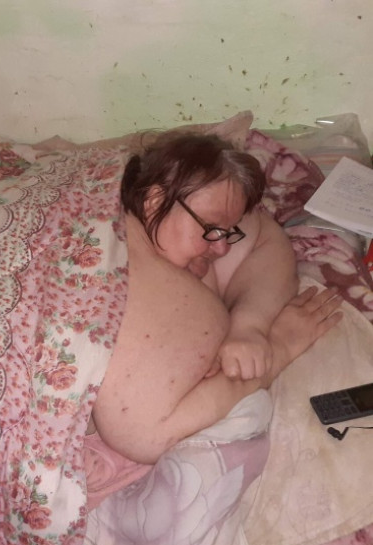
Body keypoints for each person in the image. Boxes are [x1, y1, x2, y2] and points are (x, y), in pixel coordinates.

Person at [90, 132, 343, 466]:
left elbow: (264, 234)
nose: (221, 247)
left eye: (227, 231)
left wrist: (249, 325)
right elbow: (143, 435)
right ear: (153, 201)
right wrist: (279, 348)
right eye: (211, 228)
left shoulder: (181, 232)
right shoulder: (134, 257)